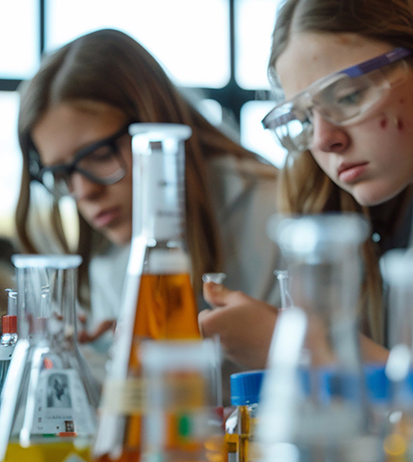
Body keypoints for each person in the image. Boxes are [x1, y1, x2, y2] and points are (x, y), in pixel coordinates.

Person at [197, 0, 413, 369]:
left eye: (348, 97)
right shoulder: (393, 211)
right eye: (304, 117)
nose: (324, 140)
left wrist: (302, 349)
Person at [17, 28, 281, 373]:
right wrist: (96, 363)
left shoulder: (276, 210)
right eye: (63, 174)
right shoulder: (109, 252)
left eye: (98, 154)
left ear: (153, 121)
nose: (84, 192)